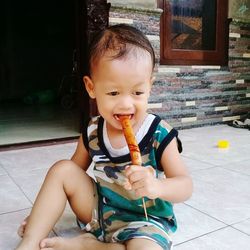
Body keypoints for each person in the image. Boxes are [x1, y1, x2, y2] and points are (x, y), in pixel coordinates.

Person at [16, 24, 193, 250]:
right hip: (100, 211)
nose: (126, 104)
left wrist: (156, 187)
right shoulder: (93, 131)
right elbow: (71, 174)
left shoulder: (159, 133)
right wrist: (37, 216)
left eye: (137, 92)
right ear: (91, 88)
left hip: (145, 222)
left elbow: (185, 185)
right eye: (113, 93)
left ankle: (91, 246)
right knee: (61, 170)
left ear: (150, 86)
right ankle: (30, 241)